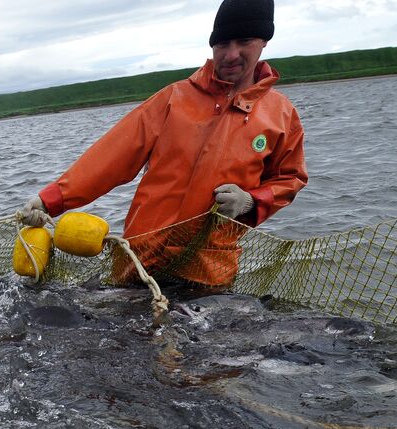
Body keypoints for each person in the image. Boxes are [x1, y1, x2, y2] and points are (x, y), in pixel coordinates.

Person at [18, 0, 307, 287]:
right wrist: (51, 199)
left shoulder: (281, 115)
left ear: (264, 41)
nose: (231, 54)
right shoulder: (173, 99)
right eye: (221, 44)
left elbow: (289, 179)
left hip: (208, 272)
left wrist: (251, 201)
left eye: (244, 41)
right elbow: (111, 158)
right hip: (139, 259)